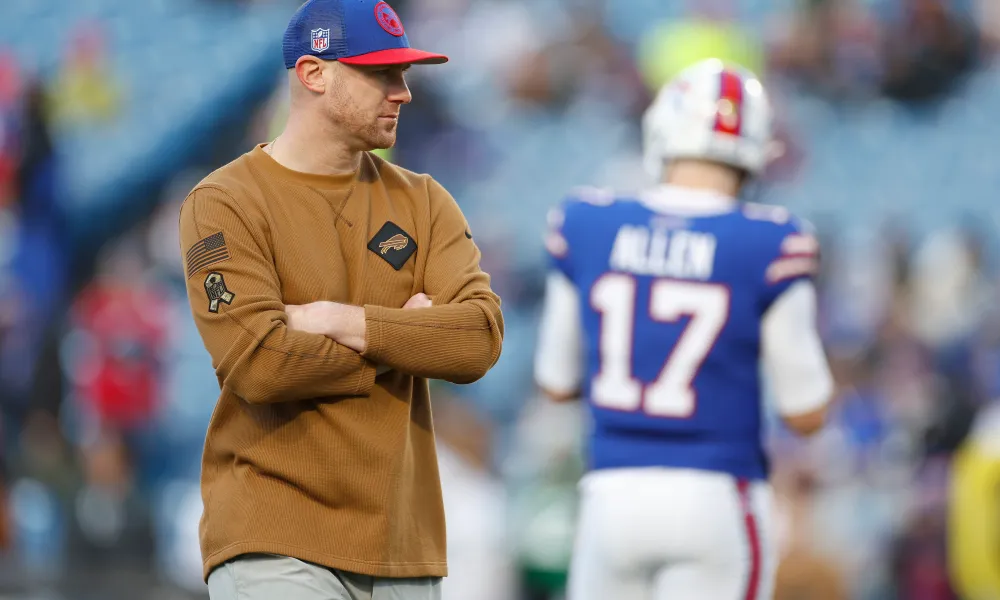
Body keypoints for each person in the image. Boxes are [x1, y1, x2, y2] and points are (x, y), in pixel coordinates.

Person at [177, 1, 504, 598]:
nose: (403, 91)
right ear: (314, 73)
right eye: (381, 73)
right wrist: (400, 340)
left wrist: (339, 321)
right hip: (273, 536)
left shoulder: (425, 201)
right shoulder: (224, 201)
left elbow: (478, 339)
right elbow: (260, 364)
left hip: (402, 547)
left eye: (402, 73)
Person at [533, 58, 834, 600]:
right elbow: (804, 410)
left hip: (612, 495)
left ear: (661, 131)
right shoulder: (770, 241)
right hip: (716, 494)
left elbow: (556, 383)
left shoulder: (587, 222)